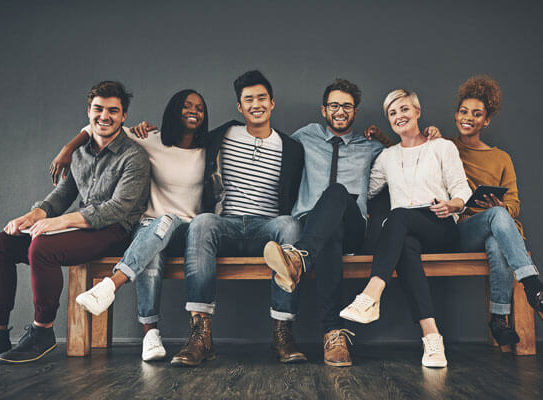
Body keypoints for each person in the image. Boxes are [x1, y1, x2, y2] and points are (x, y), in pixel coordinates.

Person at [48, 90, 209, 361]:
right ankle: (151, 336)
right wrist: (68, 148)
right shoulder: (151, 140)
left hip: (188, 230)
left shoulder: (208, 149)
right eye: (186, 105)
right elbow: (100, 126)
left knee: (167, 220)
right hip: (147, 230)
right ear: (173, 110)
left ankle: (111, 285)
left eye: (200, 108)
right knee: (153, 250)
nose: (194, 111)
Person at [0, 81, 150, 363]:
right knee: (3, 242)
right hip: (81, 228)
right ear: (89, 111)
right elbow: (63, 194)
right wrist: (33, 215)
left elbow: (117, 209)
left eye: (113, 111)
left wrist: (59, 223)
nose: (104, 116)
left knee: (43, 248)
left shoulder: (135, 156)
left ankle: (42, 331)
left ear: (124, 116)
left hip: (114, 231)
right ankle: (0, 332)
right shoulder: (80, 153)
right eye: (98, 109)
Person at [168, 70, 304, 366]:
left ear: (272, 103)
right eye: (248, 99)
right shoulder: (220, 136)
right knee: (202, 222)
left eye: (262, 98)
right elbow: (178, 136)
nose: (256, 104)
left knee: (291, 225)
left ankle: (283, 333)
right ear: (240, 107)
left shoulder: (291, 148)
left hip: (267, 229)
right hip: (225, 225)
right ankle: (200, 336)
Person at [339, 89, 472, 368]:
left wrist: (452, 205)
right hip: (406, 234)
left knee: (397, 216)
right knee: (406, 246)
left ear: (417, 112)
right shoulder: (387, 157)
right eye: (392, 112)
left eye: (404, 109)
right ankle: (432, 338)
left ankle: (371, 294)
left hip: (441, 226)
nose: (399, 116)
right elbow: (367, 191)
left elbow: (462, 190)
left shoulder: (442, 146)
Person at [262, 79, 388, 367]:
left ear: (355, 111)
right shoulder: (305, 136)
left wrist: (383, 136)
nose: (340, 111)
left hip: (354, 226)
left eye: (346, 106)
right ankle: (333, 334)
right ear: (323, 110)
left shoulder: (369, 146)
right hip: (312, 224)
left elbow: (403, 155)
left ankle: (298, 258)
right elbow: (267, 139)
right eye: (334, 105)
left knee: (337, 192)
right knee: (329, 236)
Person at [452, 76, 543, 346]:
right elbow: (407, 151)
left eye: (477, 114)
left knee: (497, 240)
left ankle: (499, 320)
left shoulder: (501, 158)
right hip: (462, 231)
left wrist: (501, 207)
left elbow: (514, 204)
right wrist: (379, 136)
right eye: (464, 111)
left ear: (486, 120)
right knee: (498, 221)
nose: (468, 118)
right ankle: (533, 284)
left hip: (497, 229)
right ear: (456, 114)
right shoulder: (445, 147)